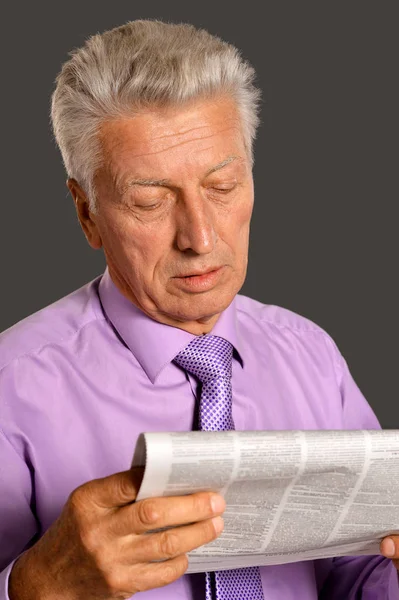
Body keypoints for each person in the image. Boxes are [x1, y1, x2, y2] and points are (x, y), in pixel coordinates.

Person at [0, 18, 397, 600]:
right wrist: (36, 587)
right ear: (87, 213)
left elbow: (358, 575)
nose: (201, 237)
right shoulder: (10, 386)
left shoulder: (311, 353)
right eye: (150, 200)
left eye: (222, 185)